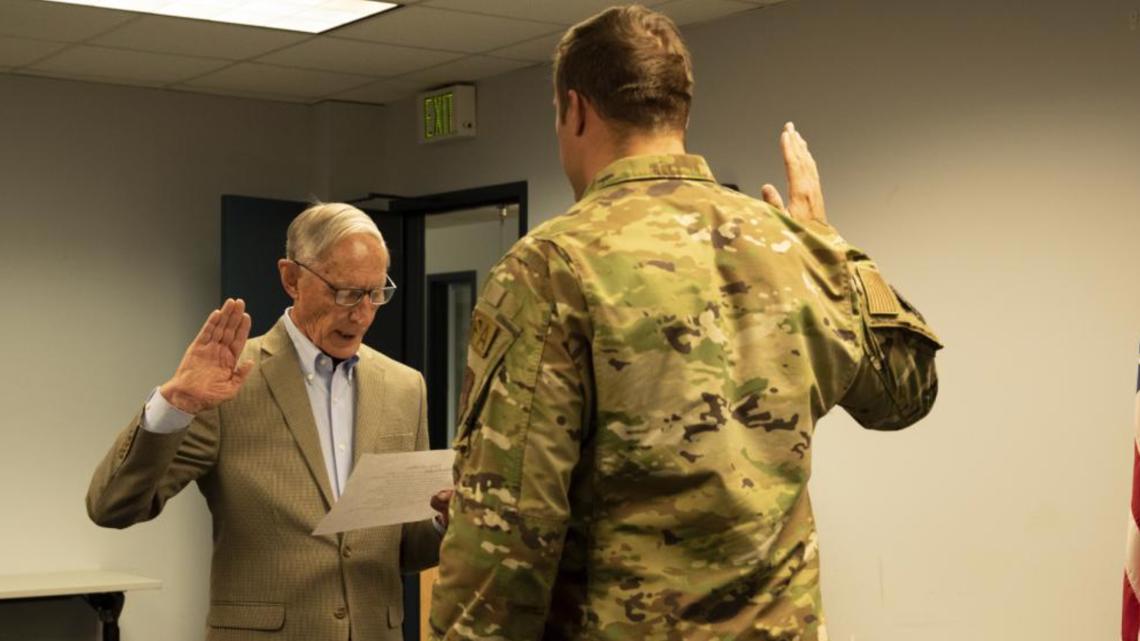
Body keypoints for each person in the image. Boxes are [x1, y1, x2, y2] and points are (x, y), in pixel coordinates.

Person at [428, 5, 942, 641]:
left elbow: (510, 534)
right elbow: (904, 395)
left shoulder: (552, 265)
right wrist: (832, 248)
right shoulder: (796, 250)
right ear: (679, 113)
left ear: (576, 110)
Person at [87, 203, 444, 641]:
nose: (362, 313)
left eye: (375, 294)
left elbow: (408, 548)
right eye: (345, 293)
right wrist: (175, 402)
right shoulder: (227, 382)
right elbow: (111, 506)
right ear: (291, 278)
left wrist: (447, 520)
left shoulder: (406, 388)